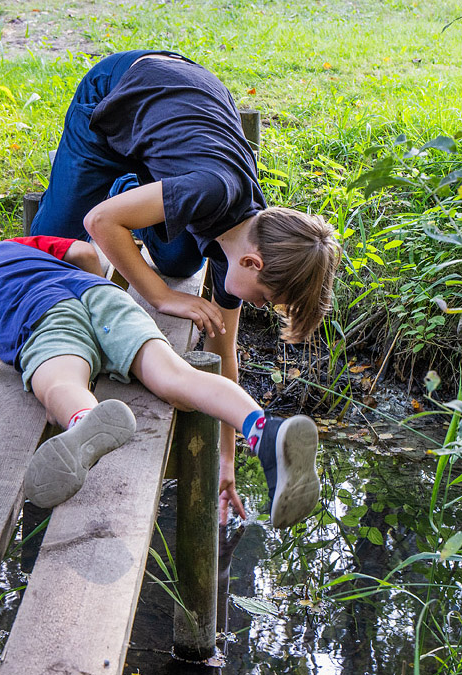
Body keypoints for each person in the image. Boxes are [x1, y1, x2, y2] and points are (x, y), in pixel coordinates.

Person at [27, 49, 341, 521]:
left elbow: (223, 355)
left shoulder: (244, 241)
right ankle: (124, 186)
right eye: (263, 298)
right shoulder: (211, 191)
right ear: (253, 263)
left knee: (176, 257)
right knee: (52, 251)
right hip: (118, 91)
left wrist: (227, 460)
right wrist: (160, 297)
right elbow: (99, 223)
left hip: (179, 108)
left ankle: (139, 189)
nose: (253, 304)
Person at [0, 236, 321, 528]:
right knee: (174, 376)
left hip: (40, 318)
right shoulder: (3, 248)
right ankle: (264, 430)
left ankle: (83, 418)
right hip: (98, 295)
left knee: (57, 382)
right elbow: (85, 254)